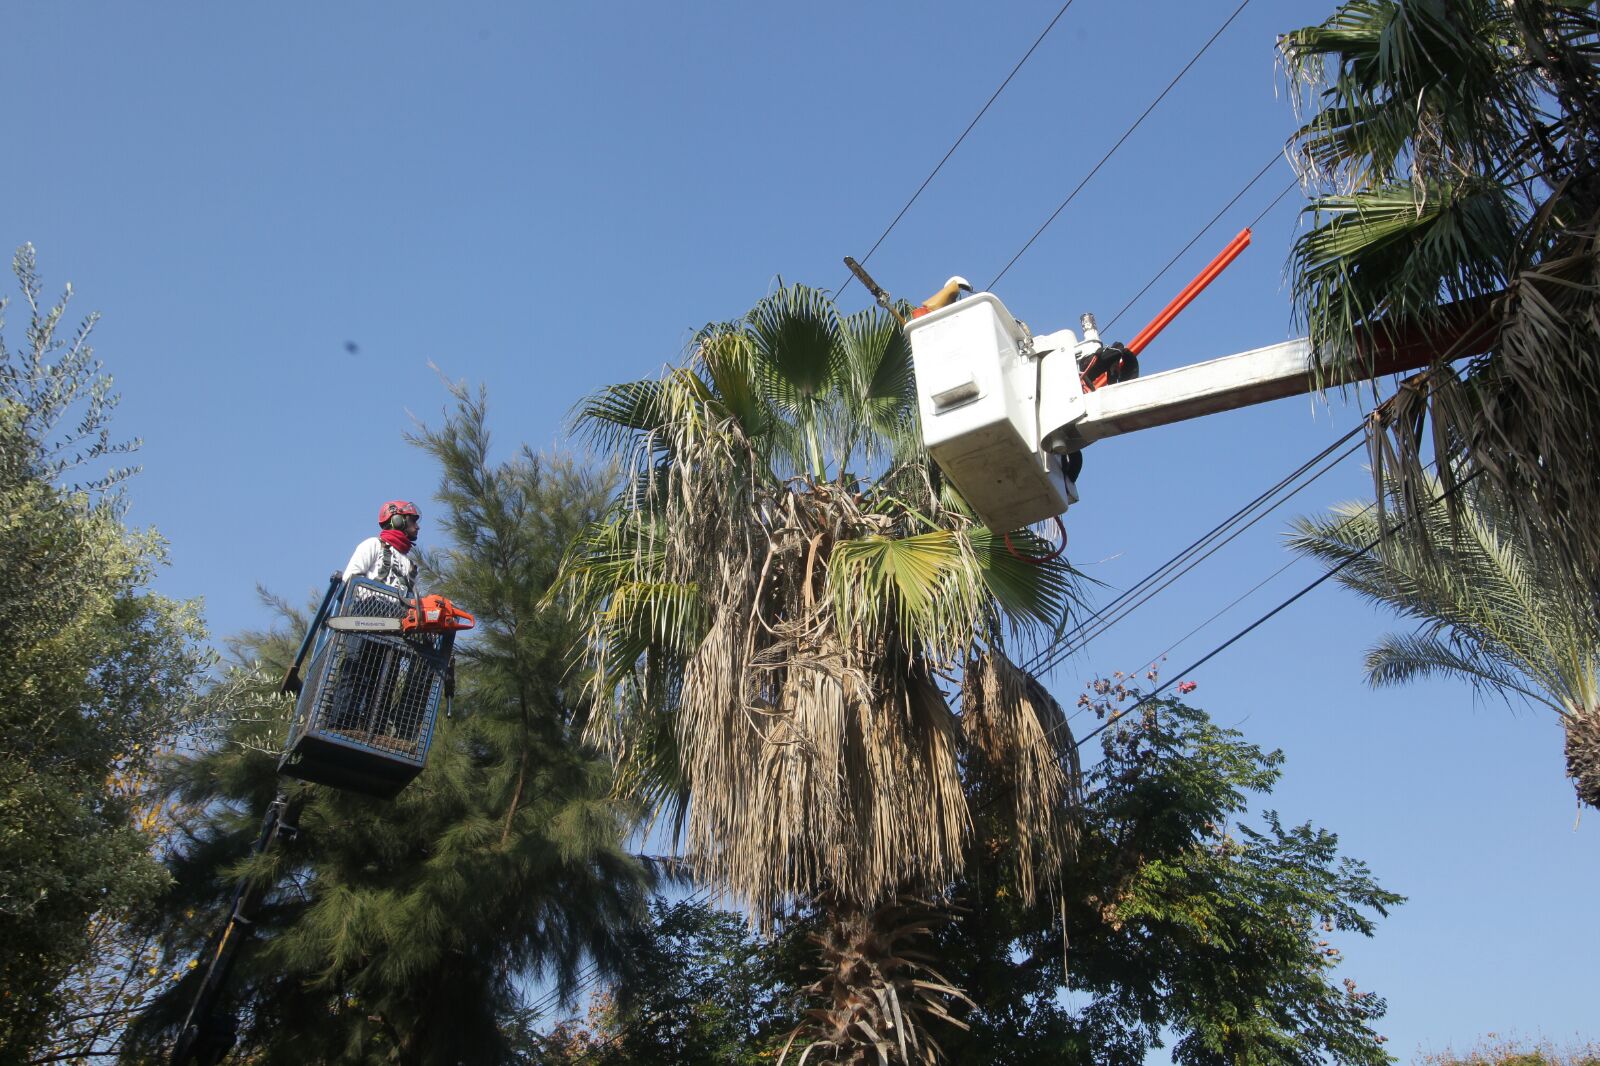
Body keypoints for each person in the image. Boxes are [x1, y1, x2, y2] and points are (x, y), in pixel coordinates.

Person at [329, 500, 425, 744]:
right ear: (398, 520)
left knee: (386, 677)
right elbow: (351, 579)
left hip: (395, 622)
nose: (417, 526)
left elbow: (411, 598)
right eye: (413, 520)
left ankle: (376, 729)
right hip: (366, 613)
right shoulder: (373, 545)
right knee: (355, 669)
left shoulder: (410, 565)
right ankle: (342, 723)